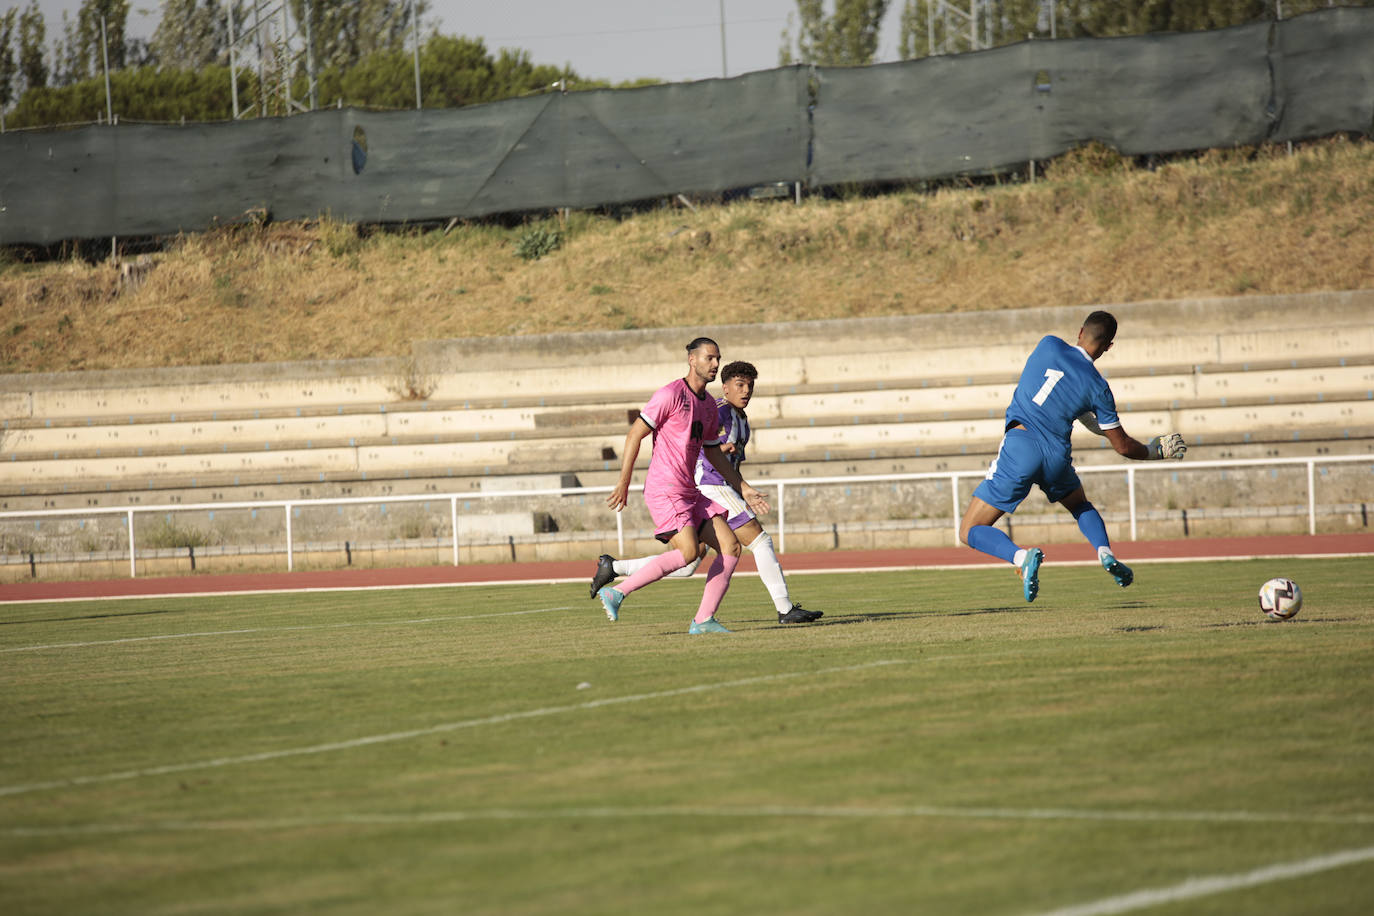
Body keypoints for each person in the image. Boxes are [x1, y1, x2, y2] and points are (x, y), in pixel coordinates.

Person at [958, 310, 1188, 602]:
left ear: (1081, 332)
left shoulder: (1048, 344)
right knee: (1079, 505)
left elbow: (1052, 388)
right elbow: (1122, 446)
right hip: (1055, 456)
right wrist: (1156, 451)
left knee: (970, 530)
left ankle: (1021, 558)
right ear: (1108, 347)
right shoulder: (1099, 388)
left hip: (1021, 445)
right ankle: (1105, 553)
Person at [590, 360, 824, 625]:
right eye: (740, 385)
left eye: (750, 385)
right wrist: (727, 463)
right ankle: (784, 609)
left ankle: (616, 568)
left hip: (709, 487)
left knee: (690, 562)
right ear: (724, 388)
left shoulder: (740, 418)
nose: (746, 390)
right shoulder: (719, 410)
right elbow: (697, 445)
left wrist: (743, 486)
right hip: (709, 485)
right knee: (760, 541)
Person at [595, 337, 771, 634]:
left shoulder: (710, 407)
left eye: (718, 359)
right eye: (709, 358)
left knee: (730, 547)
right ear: (692, 359)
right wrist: (623, 482)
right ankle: (617, 591)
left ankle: (703, 620)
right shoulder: (670, 394)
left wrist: (743, 487)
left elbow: (713, 452)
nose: (716, 364)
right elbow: (634, 435)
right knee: (689, 553)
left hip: (691, 491)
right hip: (665, 488)